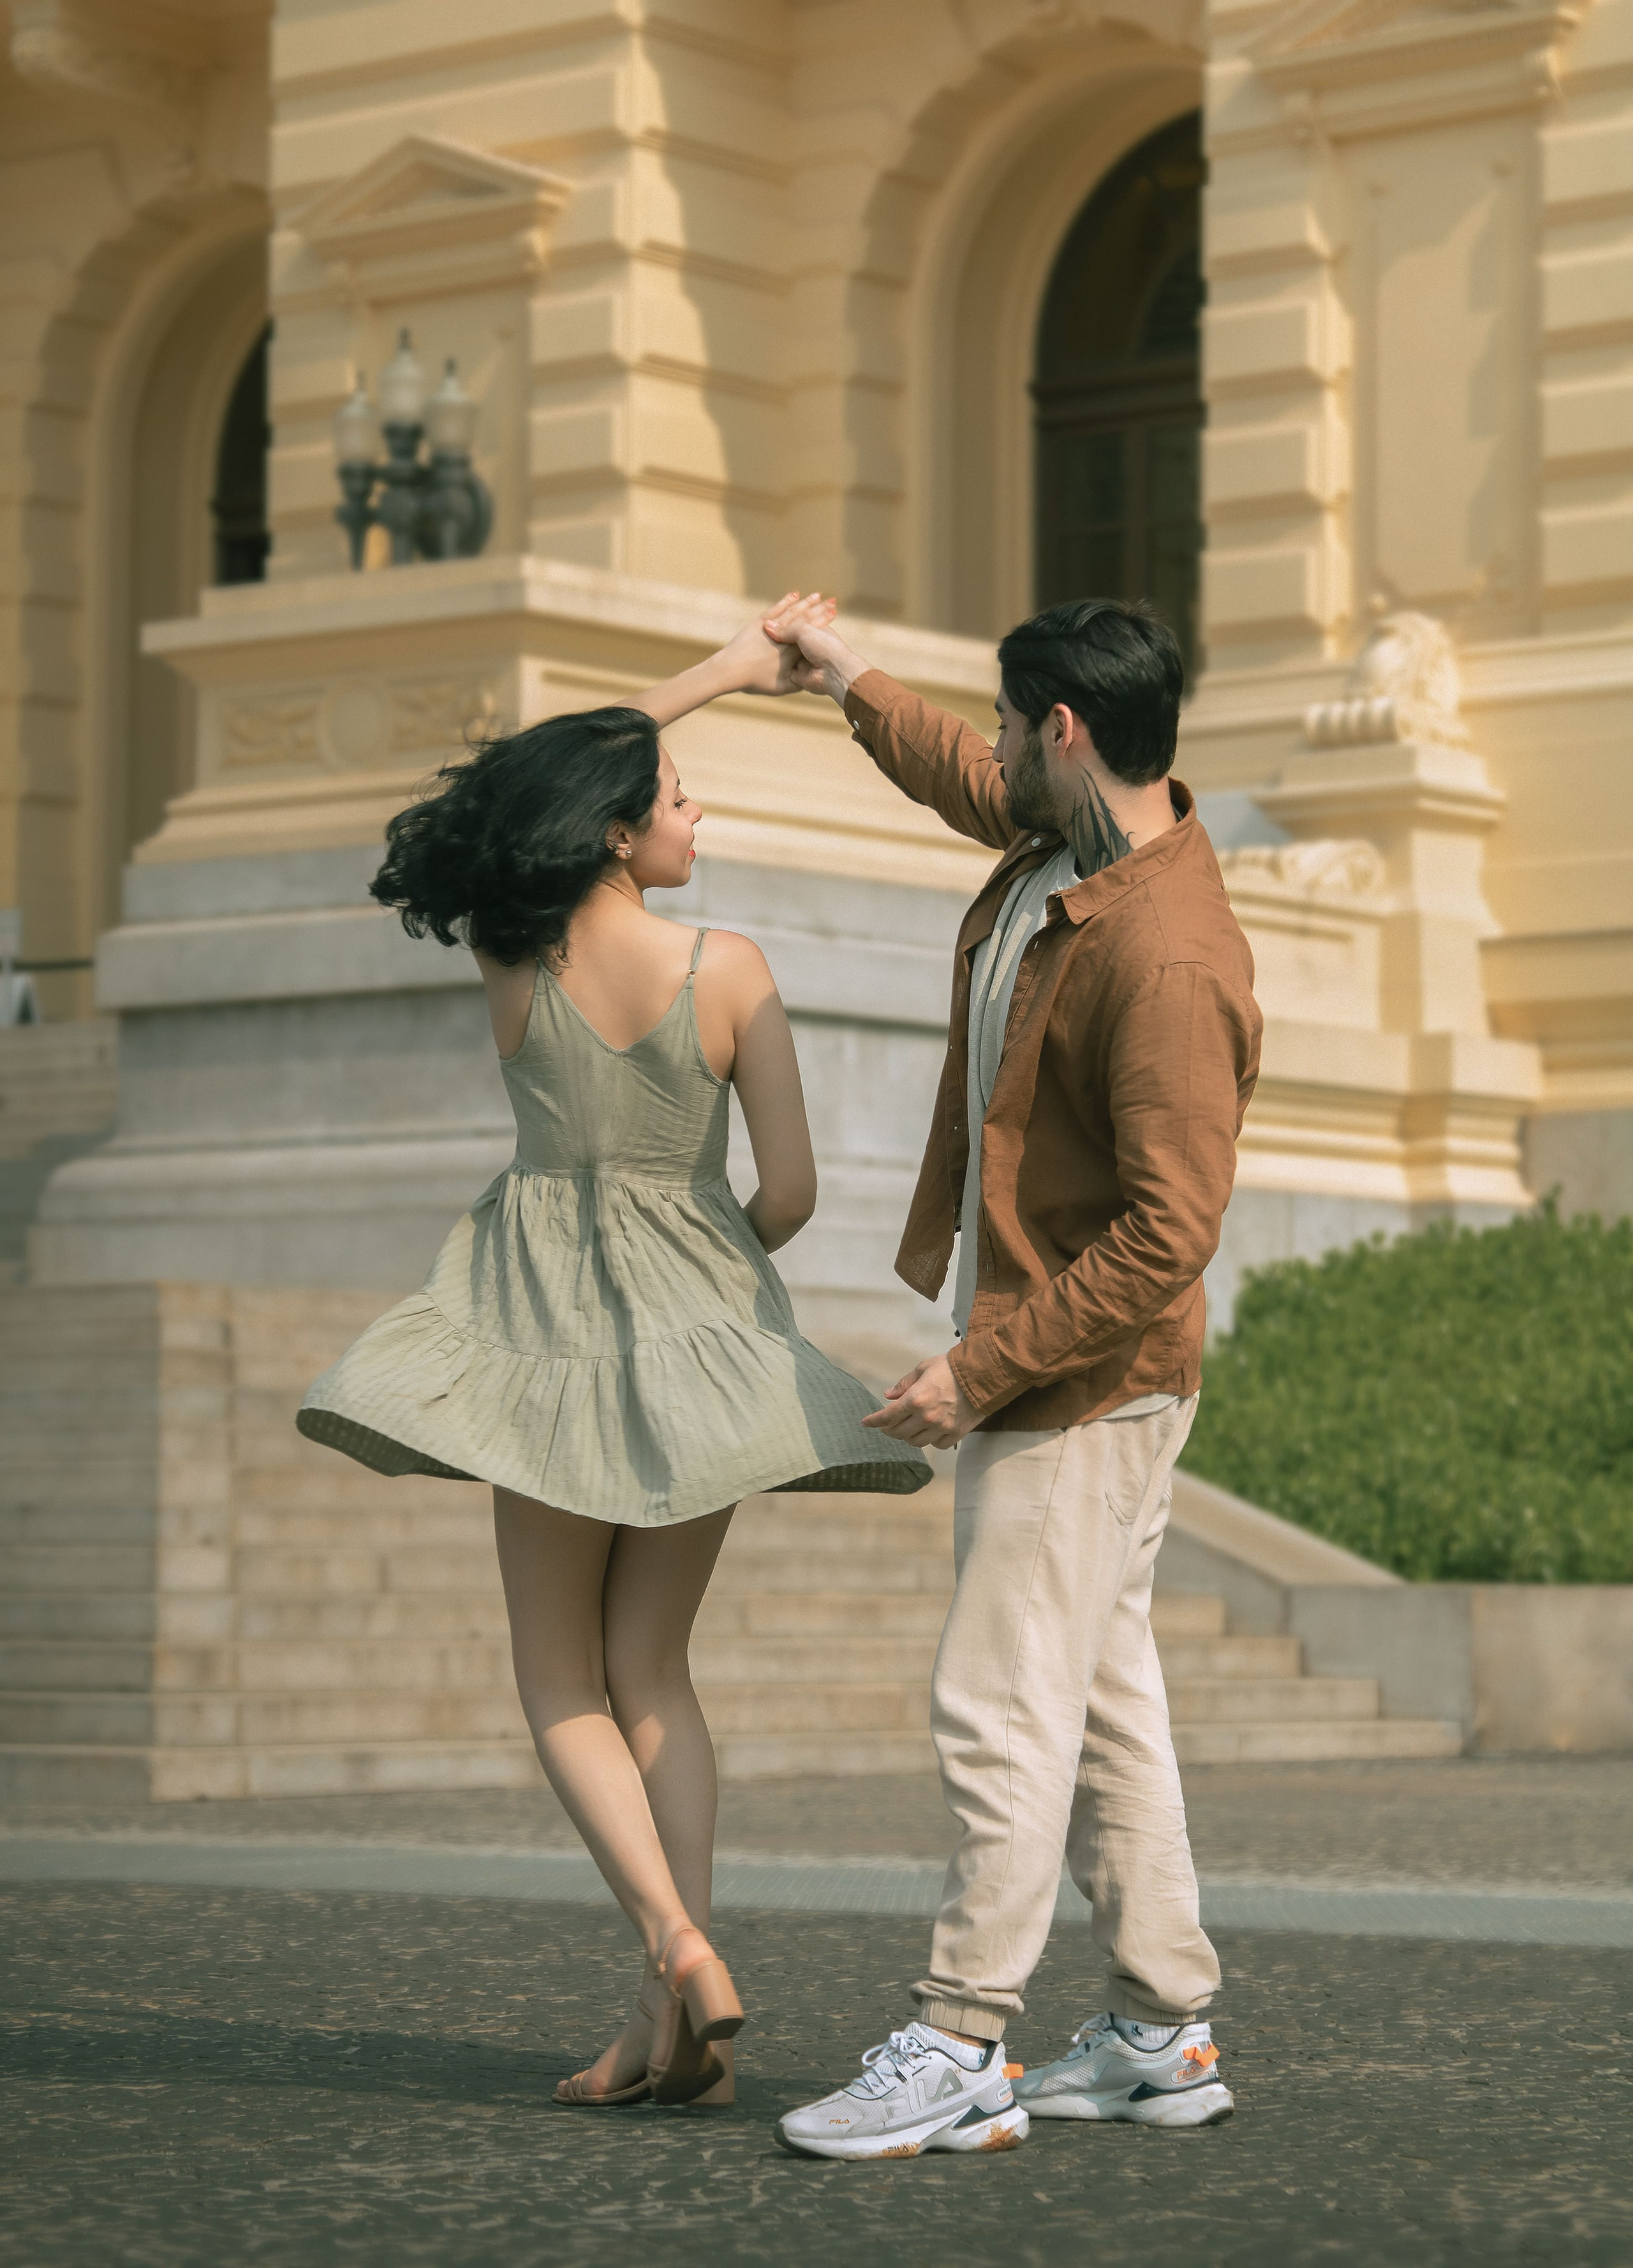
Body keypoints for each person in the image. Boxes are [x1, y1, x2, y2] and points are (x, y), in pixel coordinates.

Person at [297, 594, 931, 2111]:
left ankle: (674, 1959)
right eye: (674, 800)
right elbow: (787, 1193)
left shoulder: (514, 961)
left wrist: (719, 671)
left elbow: (511, 776)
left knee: (556, 1679)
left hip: (539, 1342)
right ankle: (667, 2016)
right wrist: (703, 1276)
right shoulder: (731, 968)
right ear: (612, 833)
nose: (694, 811)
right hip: (694, 1338)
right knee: (654, 1667)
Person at [768, 598, 1262, 2161]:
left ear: (1063, 731)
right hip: (1065, 1372)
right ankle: (1157, 2028)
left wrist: (976, 1374)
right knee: (1104, 1702)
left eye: (1006, 726)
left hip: (1080, 1383)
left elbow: (1169, 1232)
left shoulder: (1168, 953)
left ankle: (962, 2034)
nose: (988, 753)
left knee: (997, 1700)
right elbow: (950, 776)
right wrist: (843, 674)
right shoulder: (1071, 840)